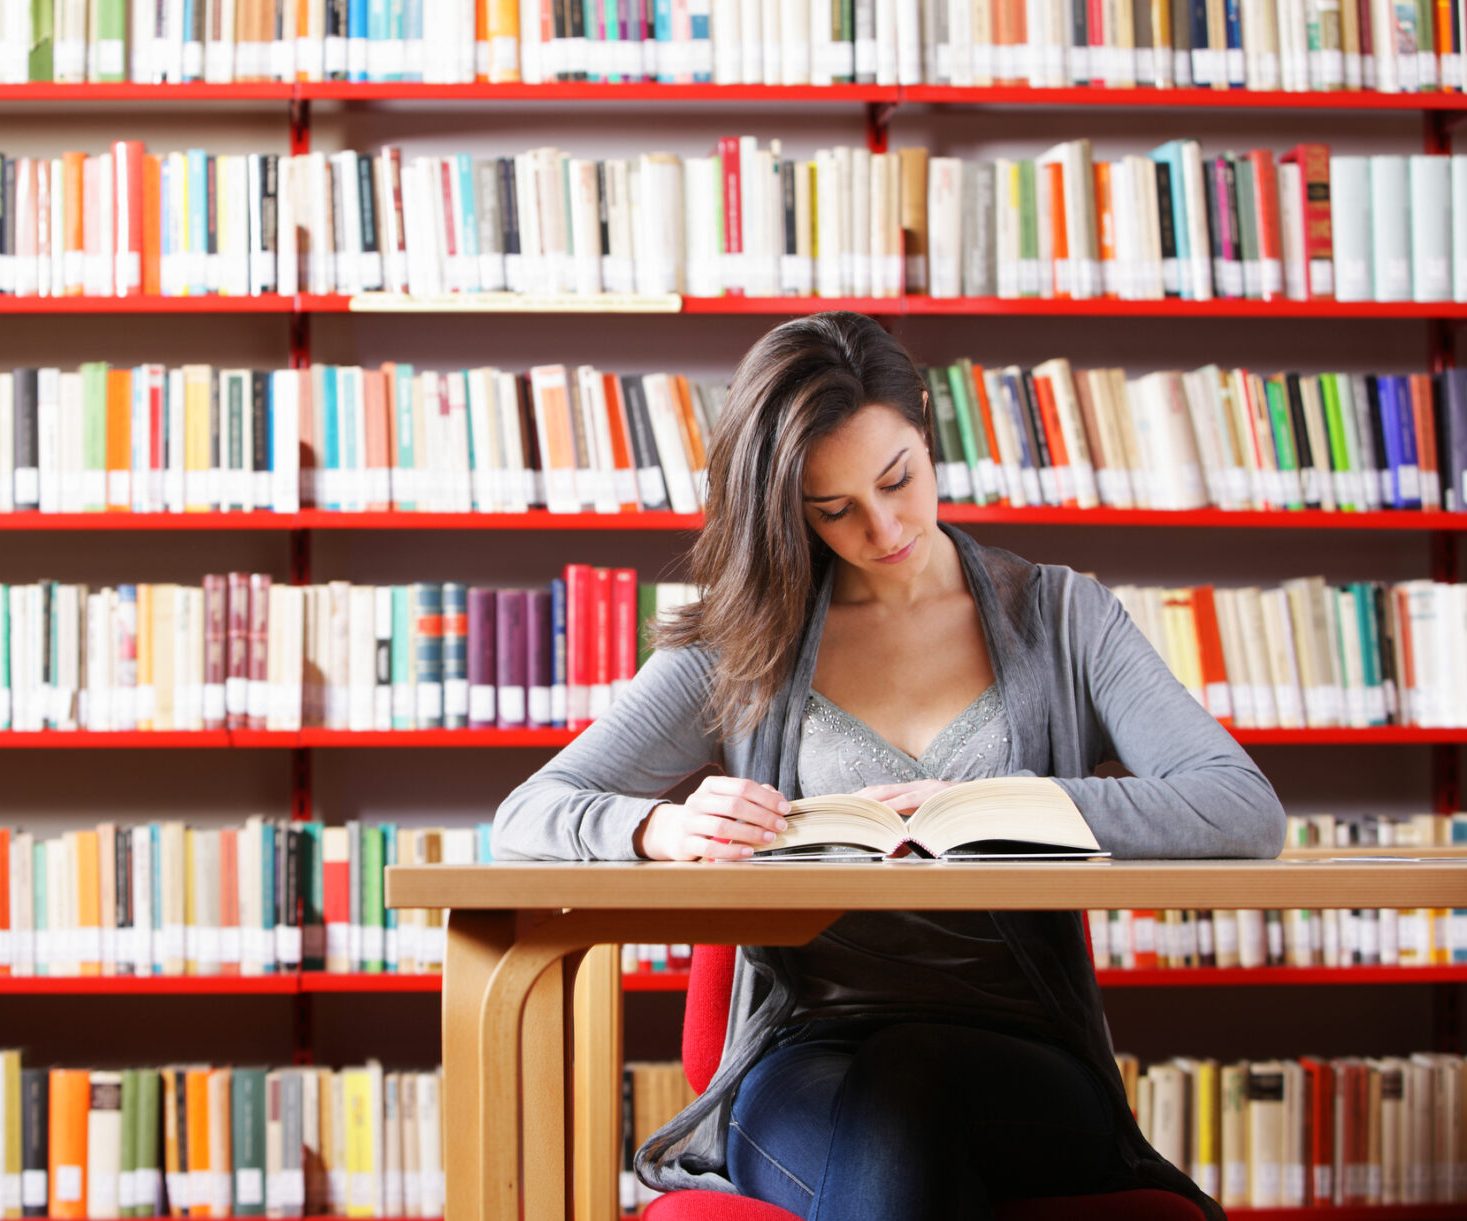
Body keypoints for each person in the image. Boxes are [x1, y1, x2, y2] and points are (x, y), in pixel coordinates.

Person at [490, 312, 1284, 1221]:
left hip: (1026, 1060)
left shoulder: (1066, 618)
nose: (885, 525)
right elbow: (526, 812)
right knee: (893, 1116)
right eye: (835, 509)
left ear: (928, 438)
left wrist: (1026, 804)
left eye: (898, 478)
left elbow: (1241, 808)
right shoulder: (744, 643)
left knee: (910, 1093)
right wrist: (652, 824)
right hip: (805, 1058)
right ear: (789, 510)